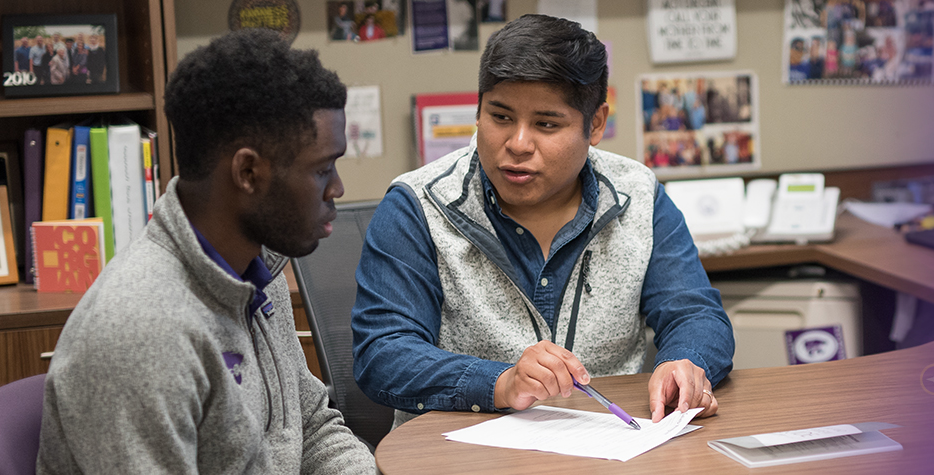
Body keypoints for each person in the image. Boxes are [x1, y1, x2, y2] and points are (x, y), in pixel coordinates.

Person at [352, 15, 733, 429]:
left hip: (612, 445)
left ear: (596, 124)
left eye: (546, 124)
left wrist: (686, 363)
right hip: (459, 456)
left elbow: (694, 313)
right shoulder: (417, 204)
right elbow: (383, 353)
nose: (517, 144)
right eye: (499, 117)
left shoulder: (638, 194)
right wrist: (501, 382)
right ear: (477, 112)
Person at [37, 30, 375, 473]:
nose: (337, 189)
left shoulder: (256, 273)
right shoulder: (140, 333)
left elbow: (312, 427)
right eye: (322, 169)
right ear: (248, 172)